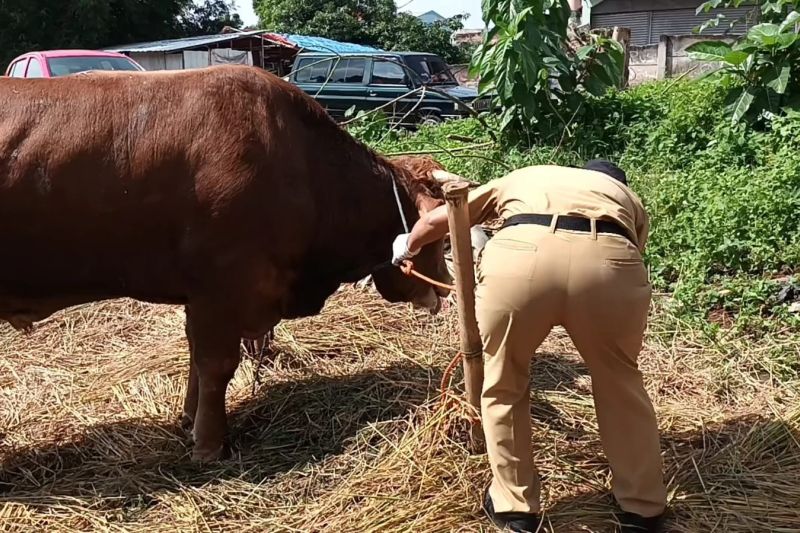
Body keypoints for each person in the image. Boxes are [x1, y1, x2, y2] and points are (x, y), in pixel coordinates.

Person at [392, 161, 667, 533]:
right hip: (608, 264)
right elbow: (633, 246)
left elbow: (447, 216)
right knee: (619, 383)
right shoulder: (625, 197)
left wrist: (407, 245)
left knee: (504, 381)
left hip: (521, 260)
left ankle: (515, 507)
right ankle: (642, 507)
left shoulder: (528, 175)